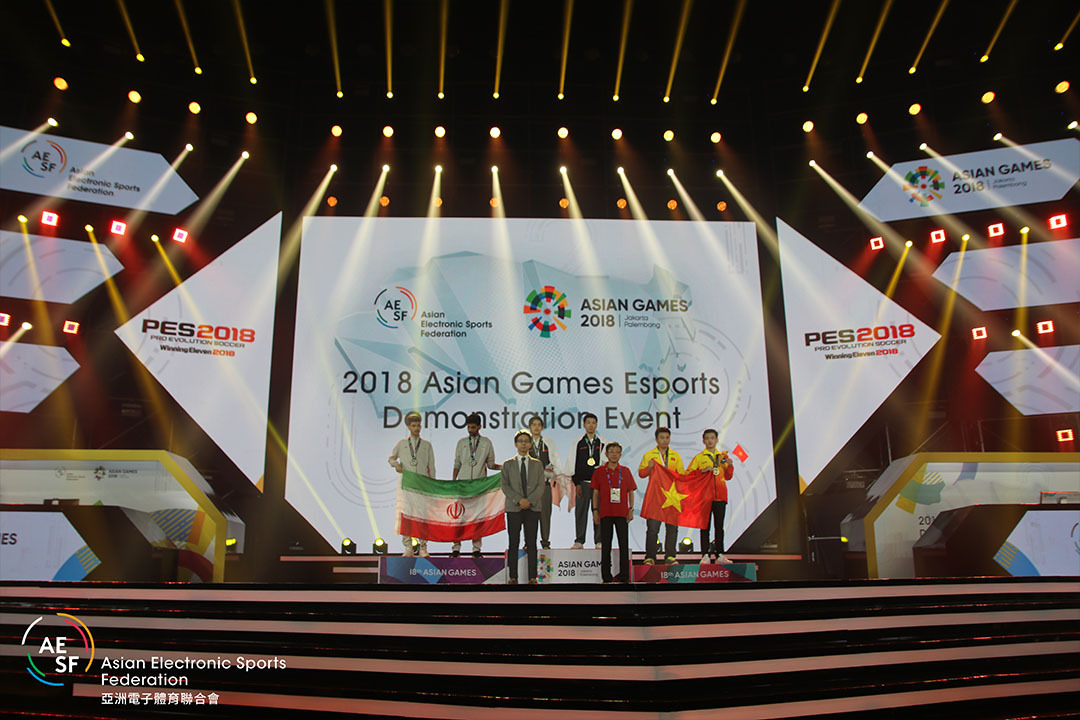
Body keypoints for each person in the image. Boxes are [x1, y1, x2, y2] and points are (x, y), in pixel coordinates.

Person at [451, 413, 501, 558]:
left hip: (480, 486)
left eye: (473, 427)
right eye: (468, 427)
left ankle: (476, 549)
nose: (470, 430)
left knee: (477, 518)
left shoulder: (486, 443)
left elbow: (491, 465)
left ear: (480, 426)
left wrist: (505, 467)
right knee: (459, 517)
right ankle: (456, 548)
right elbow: (457, 464)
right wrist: (454, 482)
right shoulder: (461, 442)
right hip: (463, 485)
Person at [388, 411, 436, 557]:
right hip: (407, 486)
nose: (416, 428)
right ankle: (408, 547)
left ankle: (423, 547)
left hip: (422, 485)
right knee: (407, 516)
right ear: (408, 427)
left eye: (418, 425)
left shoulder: (427, 445)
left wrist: (432, 485)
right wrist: (396, 465)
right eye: (413, 426)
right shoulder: (402, 444)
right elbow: (391, 458)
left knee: (423, 517)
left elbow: (431, 467)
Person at [502, 430, 545, 584]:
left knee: (532, 543)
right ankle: (513, 577)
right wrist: (519, 500)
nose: (523, 444)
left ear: (530, 444)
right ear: (515, 444)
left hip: (533, 508)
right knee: (513, 543)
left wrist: (529, 501)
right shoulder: (508, 464)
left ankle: (533, 577)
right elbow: (505, 486)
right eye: (520, 441)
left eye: (526, 441)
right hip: (514, 508)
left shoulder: (537, 464)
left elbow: (541, 486)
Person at [591, 442, 636, 583]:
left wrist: (631, 509)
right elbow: (595, 493)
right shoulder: (599, 471)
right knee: (606, 546)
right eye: (611, 451)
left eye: (617, 452)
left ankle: (624, 577)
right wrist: (595, 511)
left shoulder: (626, 471)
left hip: (622, 513)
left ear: (621, 455)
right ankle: (606, 576)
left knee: (624, 545)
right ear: (606, 454)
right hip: (605, 513)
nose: (614, 454)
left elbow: (631, 492)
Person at [638, 426, 684, 565]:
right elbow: (641, 474)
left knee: (672, 528)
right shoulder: (649, 455)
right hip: (655, 497)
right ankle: (650, 557)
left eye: (667, 437)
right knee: (652, 529)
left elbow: (681, 476)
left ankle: (670, 556)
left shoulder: (675, 456)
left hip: (671, 497)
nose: (665, 440)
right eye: (662, 438)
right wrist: (649, 467)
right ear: (656, 439)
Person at [687, 428, 734, 563]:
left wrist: (730, 466)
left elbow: (728, 476)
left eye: (712, 438)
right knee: (705, 527)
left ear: (717, 440)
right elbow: (689, 474)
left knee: (719, 527)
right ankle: (705, 555)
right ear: (703, 441)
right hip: (704, 498)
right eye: (707, 438)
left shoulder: (723, 457)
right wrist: (702, 471)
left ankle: (720, 554)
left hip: (720, 497)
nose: (710, 441)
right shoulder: (699, 458)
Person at [566, 412, 607, 549]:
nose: (591, 425)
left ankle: (599, 540)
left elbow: (606, 464)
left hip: (598, 485)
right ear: (584, 425)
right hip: (582, 483)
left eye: (593, 423)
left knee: (599, 512)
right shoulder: (578, 442)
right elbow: (573, 464)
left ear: (596, 425)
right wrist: (577, 483)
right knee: (580, 512)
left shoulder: (602, 442)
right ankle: (579, 540)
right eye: (588, 422)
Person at [526, 416, 565, 550]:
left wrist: (556, 475)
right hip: (529, 487)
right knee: (529, 516)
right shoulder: (525, 442)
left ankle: (545, 542)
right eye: (534, 425)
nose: (536, 427)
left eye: (539, 425)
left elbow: (556, 463)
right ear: (530, 427)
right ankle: (528, 542)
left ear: (542, 427)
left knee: (545, 515)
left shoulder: (549, 442)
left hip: (545, 485)